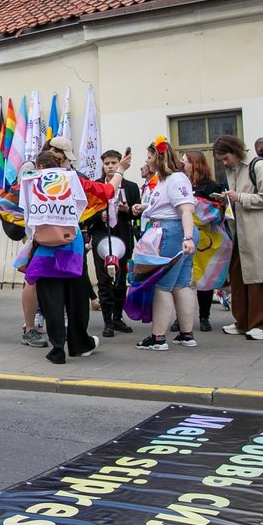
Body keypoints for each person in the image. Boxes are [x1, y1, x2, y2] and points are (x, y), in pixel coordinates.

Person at [22, 138, 130, 364]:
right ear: (60, 157)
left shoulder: (29, 179)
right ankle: (80, 344)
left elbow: (8, 201)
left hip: (43, 248)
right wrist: (120, 170)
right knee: (77, 299)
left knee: (50, 299)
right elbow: (107, 192)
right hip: (71, 248)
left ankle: (57, 350)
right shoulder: (74, 179)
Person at [213, 135, 263, 340]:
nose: (224, 163)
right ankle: (243, 321)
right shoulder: (233, 169)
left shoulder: (258, 166)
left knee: (261, 278)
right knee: (239, 277)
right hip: (241, 232)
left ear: (235, 152)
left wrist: (239, 197)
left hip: (260, 231)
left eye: (226, 158)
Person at [133, 136, 199, 351]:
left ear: (158, 157)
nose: (147, 160)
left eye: (149, 156)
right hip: (175, 230)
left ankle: (158, 337)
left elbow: (185, 210)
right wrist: (145, 209)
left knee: (162, 285)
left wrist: (187, 238)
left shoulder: (174, 179)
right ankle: (186, 335)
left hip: (172, 233)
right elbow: (169, 206)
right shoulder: (166, 179)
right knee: (181, 284)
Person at [85, 149, 141, 339]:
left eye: (114, 163)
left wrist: (127, 210)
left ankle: (118, 317)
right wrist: (98, 216)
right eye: (107, 163)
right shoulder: (96, 186)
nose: (110, 166)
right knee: (104, 278)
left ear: (120, 164)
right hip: (102, 235)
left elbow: (138, 213)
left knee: (120, 278)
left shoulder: (131, 187)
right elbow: (85, 216)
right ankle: (107, 321)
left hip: (123, 234)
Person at [182, 151, 225, 332]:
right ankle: (181, 317)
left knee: (204, 278)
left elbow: (217, 213)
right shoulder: (181, 183)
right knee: (183, 279)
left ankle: (204, 317)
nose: (181, 164)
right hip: (184, 235)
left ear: (194, 163)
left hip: (205, 238)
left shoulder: (211, 186)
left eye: (184, 161)